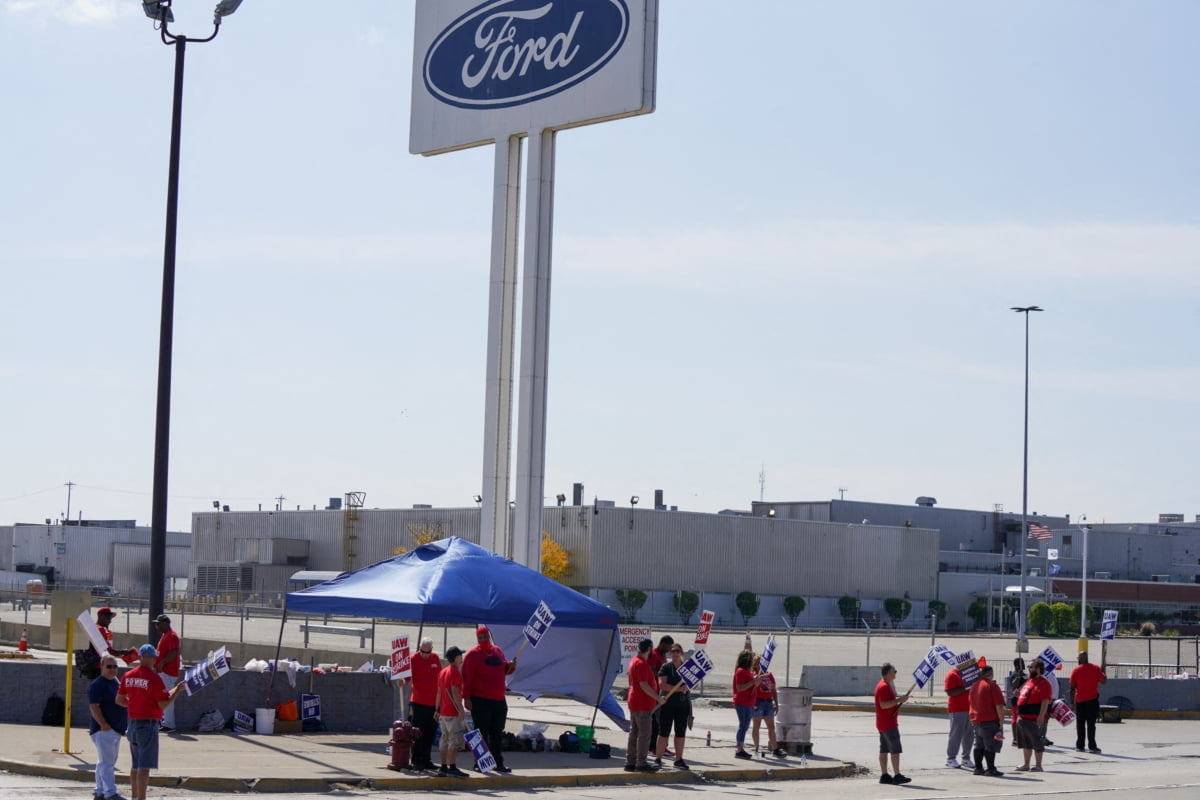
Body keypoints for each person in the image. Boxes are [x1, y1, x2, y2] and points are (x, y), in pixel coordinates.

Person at [116, 644, 185, 800]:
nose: (155, 659)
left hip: (132, 724)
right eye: (154, 657)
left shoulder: (128, 676)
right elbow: (164, 703)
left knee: (135, 765)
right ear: (150, 658)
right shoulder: (154, 678)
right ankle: (141, 798)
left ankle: (134, 796)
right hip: (147, 725)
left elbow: (119, 700)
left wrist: (174, 689)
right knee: (144, 767)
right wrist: (176, 694)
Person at [462, 625, 516, 773]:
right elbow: (467, 678)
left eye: (485, 636)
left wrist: (511, 666)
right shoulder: (472, 655)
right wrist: (466, 697)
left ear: (489, 636)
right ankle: (479, 762)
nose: (483, 639)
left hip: (498, 699)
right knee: (481, 733)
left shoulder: (497, 651)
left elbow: (505, 669)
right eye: (480, 637)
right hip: (480, 699)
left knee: (497, 732)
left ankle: (498, 763)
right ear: (477, 638)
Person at [88, 655, 128, 800]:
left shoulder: (115, 683)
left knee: (103, 762)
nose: (112, 670)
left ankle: (99, 791)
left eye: (115, 666)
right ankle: (110, 793)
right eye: (109, 666)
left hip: (115, 730)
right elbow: (94, 706)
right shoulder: (98, 684)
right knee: (107, 763)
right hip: (104, 730)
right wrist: (104, 725)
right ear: (102, 667)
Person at [623, 638, 664, 772]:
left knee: (634, 733)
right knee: (644, 735)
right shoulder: (641, 664)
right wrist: (658, 698)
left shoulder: (635, 661)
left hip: (635, 702)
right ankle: (641, 762)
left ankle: (630, 761)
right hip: (642, 704)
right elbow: (644, 685)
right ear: (649, 649)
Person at [654, 642, 691, 770]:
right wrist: (680, 689)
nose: (675, 654)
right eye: (673, 651)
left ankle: (679, 759)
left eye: (677, 651)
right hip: (668, 704)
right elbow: (662, 685)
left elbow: (693, 683)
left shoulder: (687, 668)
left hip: (683, 704)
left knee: (680, 733)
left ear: (681, 653)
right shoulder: (666, 667)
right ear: (670, 653)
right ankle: (658, 758)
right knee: (664, 732)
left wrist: (690, 686)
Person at [874, 662, 912, 785]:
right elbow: (884, 704)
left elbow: (888, 703)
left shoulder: (884, 685)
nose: (895, 673)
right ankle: (897, 775)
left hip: (883, 722)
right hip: (888, 723)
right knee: (895, 750)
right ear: (888, 673)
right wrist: (899, 700)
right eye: (894, 671)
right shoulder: (884, 686)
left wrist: (898, 700)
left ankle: (884, 775)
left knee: (884, 750)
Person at [407, 636, 442, 771]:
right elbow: (406, 679)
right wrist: (401, 682)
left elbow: (440, 678)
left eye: (428, 652)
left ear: (431, 650)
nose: (425, 655)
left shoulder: (435, 658)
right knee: (417, 733)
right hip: (418, 702)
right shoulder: (413, 659)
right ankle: (416, 759)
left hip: (433, 703)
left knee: (430, 733)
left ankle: (427, 759)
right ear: (419, 648)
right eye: (423, 651)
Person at [968, 664, 1006, 777]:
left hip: (976, 719)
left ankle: (978, 768)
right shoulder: (992, 686)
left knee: (979, 744)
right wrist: (1001, 721)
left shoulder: (974, 685)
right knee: (991, 745)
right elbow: (999, 705)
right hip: (989, 720)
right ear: (990, 674)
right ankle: (991, 768)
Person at [1013, 658, 1051, 772]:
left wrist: (1041, 716)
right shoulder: (1029, 682)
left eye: (1031, 667)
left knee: (1038, 741)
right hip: (1023, 718)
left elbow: (1045, 701)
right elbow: (1024, 694)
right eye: (1029, 667)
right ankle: (1026, 764)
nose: (1029, 668)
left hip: (1035, 719)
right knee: (1026, 742)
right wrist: (1018, 694)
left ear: (1038, 669)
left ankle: (1038, 765)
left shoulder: (1043, 683)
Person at [436, 646, 468, 778]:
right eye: (460, 655)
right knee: (453, 740)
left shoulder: (443, 672)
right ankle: (452, 767)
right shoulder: (455, 672)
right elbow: (455, 692)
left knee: (444, 739)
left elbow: (438, 692)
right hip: (452, 712)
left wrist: (436, 709)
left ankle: (443, 767)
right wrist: (461, 709)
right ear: (456, 658)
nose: (462, 657)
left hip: (443, 712)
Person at [1069, 650, 1107, 753]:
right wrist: (1103, 672)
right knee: (1091, 724)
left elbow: (1072, 688)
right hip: (1092, 701)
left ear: (1080, 659)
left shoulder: (1076, 670)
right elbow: (1104, 681)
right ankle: (1092, 746)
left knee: (1080, 724)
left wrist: (1072, 703)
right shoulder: (1095, 668)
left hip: (1080, 701)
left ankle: (1080, 746)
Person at [152, 615, 181, 733]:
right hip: (163, 671)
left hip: (168, 672)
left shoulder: (172, 635)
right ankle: (165, 722)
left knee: (167, 696)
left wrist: (163, 662)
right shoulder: (166, 635)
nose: (157, 626)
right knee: (163, 696)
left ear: (165, 623)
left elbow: (174, 651)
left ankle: (169, 724)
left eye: (158, 624)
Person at [751, 654, 784, 758]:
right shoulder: (753, 675)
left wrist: (776, 703)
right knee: (757, 726)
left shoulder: (769, 675)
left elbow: (773, 689)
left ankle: (775, 749)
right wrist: (758, 676)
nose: (759, 665)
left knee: (771, 727)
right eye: (757, 663)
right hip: (758, 702)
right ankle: (757, 748)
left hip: (768, 702)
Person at [944, 663, 975, 768]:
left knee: (969, 735)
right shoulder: (952, 675)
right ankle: (951, 758)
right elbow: (950, 692)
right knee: (956, 735)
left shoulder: (969, 675)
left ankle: (966, 758)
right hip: (957, 709)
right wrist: (966, 687)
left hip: (970, 708)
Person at [647, 635, 673, 757]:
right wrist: (664, 674)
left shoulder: (662, 656)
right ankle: (652, 747)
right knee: (654, 722)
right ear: (662, 643)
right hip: (654, 693)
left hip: (662, 693)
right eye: (668, 647)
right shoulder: (654, 655)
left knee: (663, 722)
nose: (669, 650)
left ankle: (662, 747)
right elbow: (651, 672)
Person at [732, 650, 761, 760]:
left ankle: (740, 747)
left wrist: (756, 682)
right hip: (742, 701)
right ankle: (739, 748)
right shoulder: (740, 671)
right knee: (743, 725)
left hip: (748, 701)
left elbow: (751, 687)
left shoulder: (746, 672)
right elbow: (739, 688)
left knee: (745, 725)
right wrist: (753, 682)